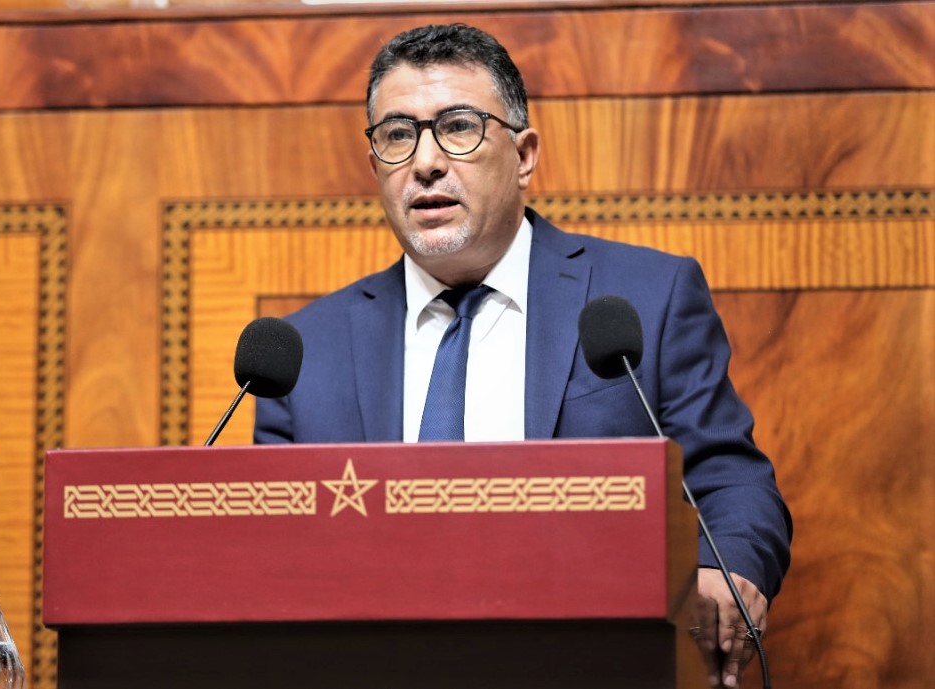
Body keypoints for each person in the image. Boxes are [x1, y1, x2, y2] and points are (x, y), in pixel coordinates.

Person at [254, 23, 792, 688]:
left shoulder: (645, 299)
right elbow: (271, 552)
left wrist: (727, 568)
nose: (425, 162)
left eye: (458, 126)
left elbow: (728, 478)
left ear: (525, 155)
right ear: (376, 169)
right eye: (398, 135)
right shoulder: (303, 353)